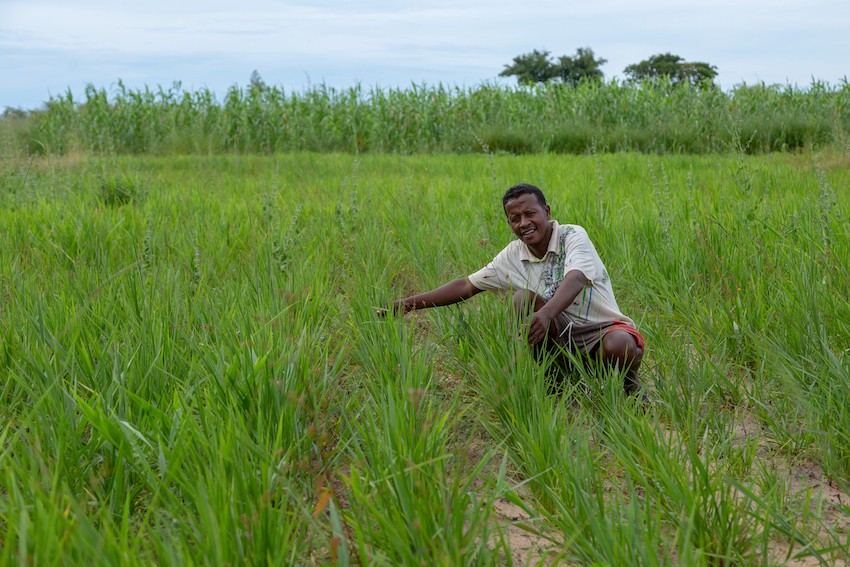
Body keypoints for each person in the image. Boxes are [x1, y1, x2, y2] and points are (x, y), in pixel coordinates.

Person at [380, 183, 645, 397]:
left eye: (530, 214)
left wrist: (546, 314)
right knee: (522, 300)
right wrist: (406, 305)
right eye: (514, 218)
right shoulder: (513, 255)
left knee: (619, 344)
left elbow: (575, 279)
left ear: (547, 212)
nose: (524, 223)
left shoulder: (572, 236)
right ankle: (556, 384)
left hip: (602, 331)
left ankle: (629, 386)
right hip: (562, 335)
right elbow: (466, 285)